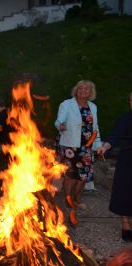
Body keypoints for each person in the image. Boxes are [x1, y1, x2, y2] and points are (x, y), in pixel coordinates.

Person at [54, 80, 102, 226]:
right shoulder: (66, 104)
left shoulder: (93, 107)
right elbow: (58, 121)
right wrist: (60, 126)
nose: (83, 90)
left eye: (86, 88)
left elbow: (96, 127)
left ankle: (77, 199)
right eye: (80, 88)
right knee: (71, 176)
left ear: (91, 92)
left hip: (87, 147)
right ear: (76, 90)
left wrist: (98, 145)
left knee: (83, 176)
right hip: (70, 146)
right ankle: (69, 201)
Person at [97, 92, 132, 242]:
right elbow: (115, 136)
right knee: (124, 191)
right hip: (128, 160)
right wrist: (104, 147)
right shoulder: (126, 118)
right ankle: (125, 223)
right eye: (131, 99)